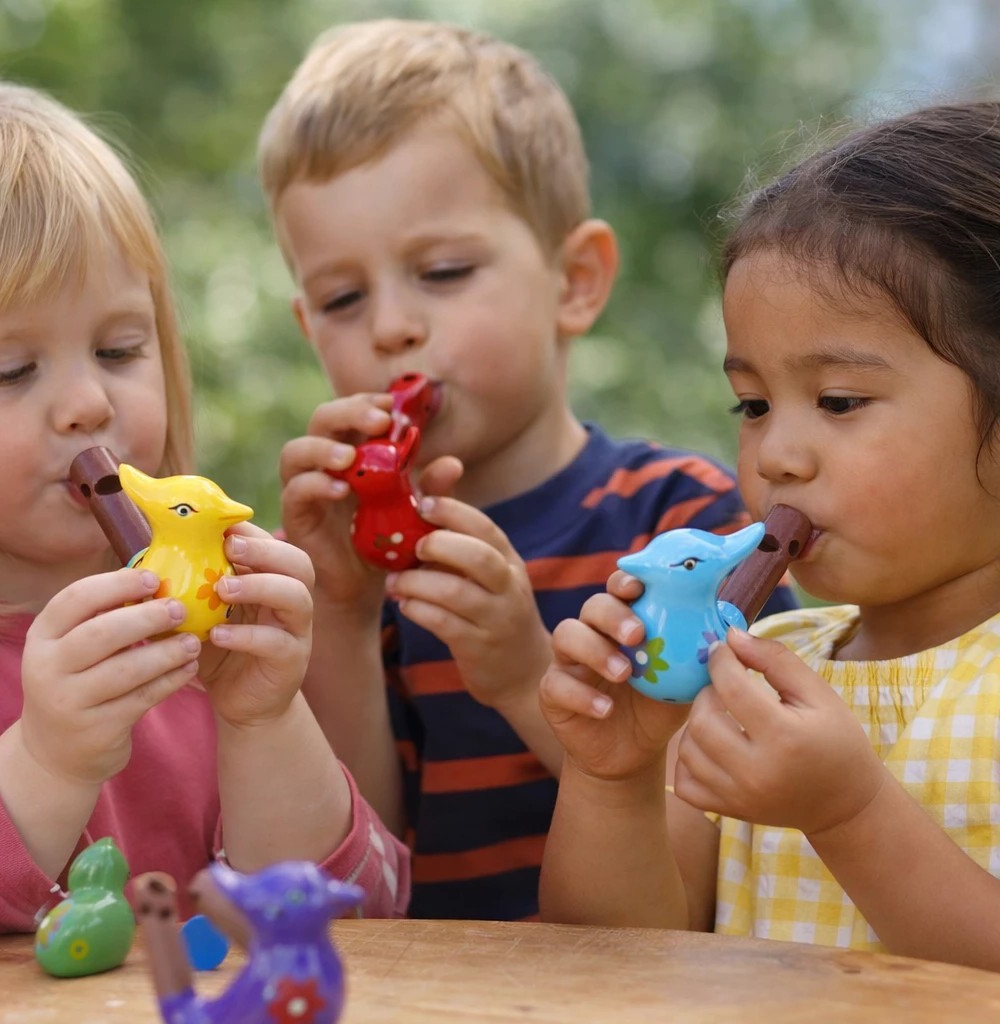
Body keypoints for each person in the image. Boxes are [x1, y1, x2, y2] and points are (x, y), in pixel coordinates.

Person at [258, 18, 796, 921]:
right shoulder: (320, 568)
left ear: (575, 280)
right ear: (309, 328)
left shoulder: (688, 528)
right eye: (343, 299)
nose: (390, 327)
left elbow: (720, 858)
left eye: (443, 271)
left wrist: (522, 674)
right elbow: (349, 882)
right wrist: (342, 620)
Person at [537, 100, 1000, 970]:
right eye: (752, 405)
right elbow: (613, 958)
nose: (777, 455)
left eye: (839, 401)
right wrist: (613, 776)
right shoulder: (749, 670)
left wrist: (850, 814)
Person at [0, 80, 409, 934]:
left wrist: (264, 719)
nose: (88, 403)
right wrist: (48, 763)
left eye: (119, 350)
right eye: (10, 371)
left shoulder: (226, 618)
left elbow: (360, 914)